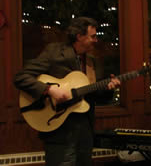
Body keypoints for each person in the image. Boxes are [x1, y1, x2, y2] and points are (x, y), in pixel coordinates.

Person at [14, 17, 120, 166]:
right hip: (58, 129)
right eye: (93, 36)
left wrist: (108, 89)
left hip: (85, 131)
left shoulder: (92, 61)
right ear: (79, 36)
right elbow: (21, 77)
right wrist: (49, 90)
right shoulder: (54, 52)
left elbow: (91, 95)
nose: (96, 40)